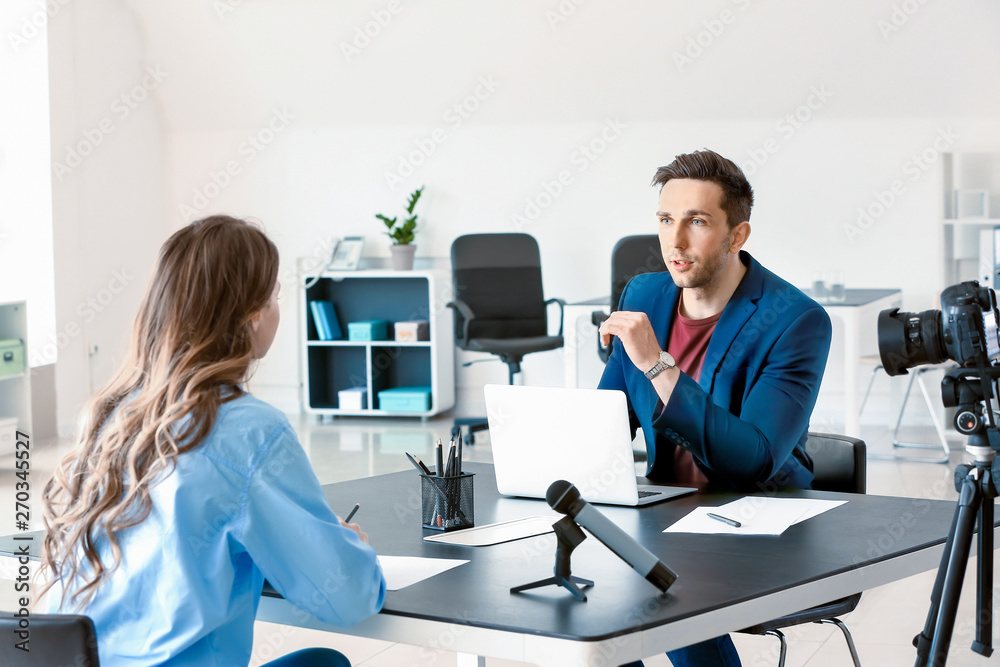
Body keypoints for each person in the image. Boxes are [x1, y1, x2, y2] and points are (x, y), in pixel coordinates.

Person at [40, 217, 386, 667]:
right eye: (275, 297)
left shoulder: (107, 416)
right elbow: (350, 598)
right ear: (251, 315)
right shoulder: (250, 430)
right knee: (324, 663)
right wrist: (348, 546)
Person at [597, 150, 832, 667]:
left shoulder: (795, 320)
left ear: (738, 235)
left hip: (759, 516)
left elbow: (754, 460)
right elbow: (608, 419)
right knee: (584, 596)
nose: (674, 242)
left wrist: (658, 365)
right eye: (665, 220)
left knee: (666, 586)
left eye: (697, 222)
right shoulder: (644, 293)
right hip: (669, 513)